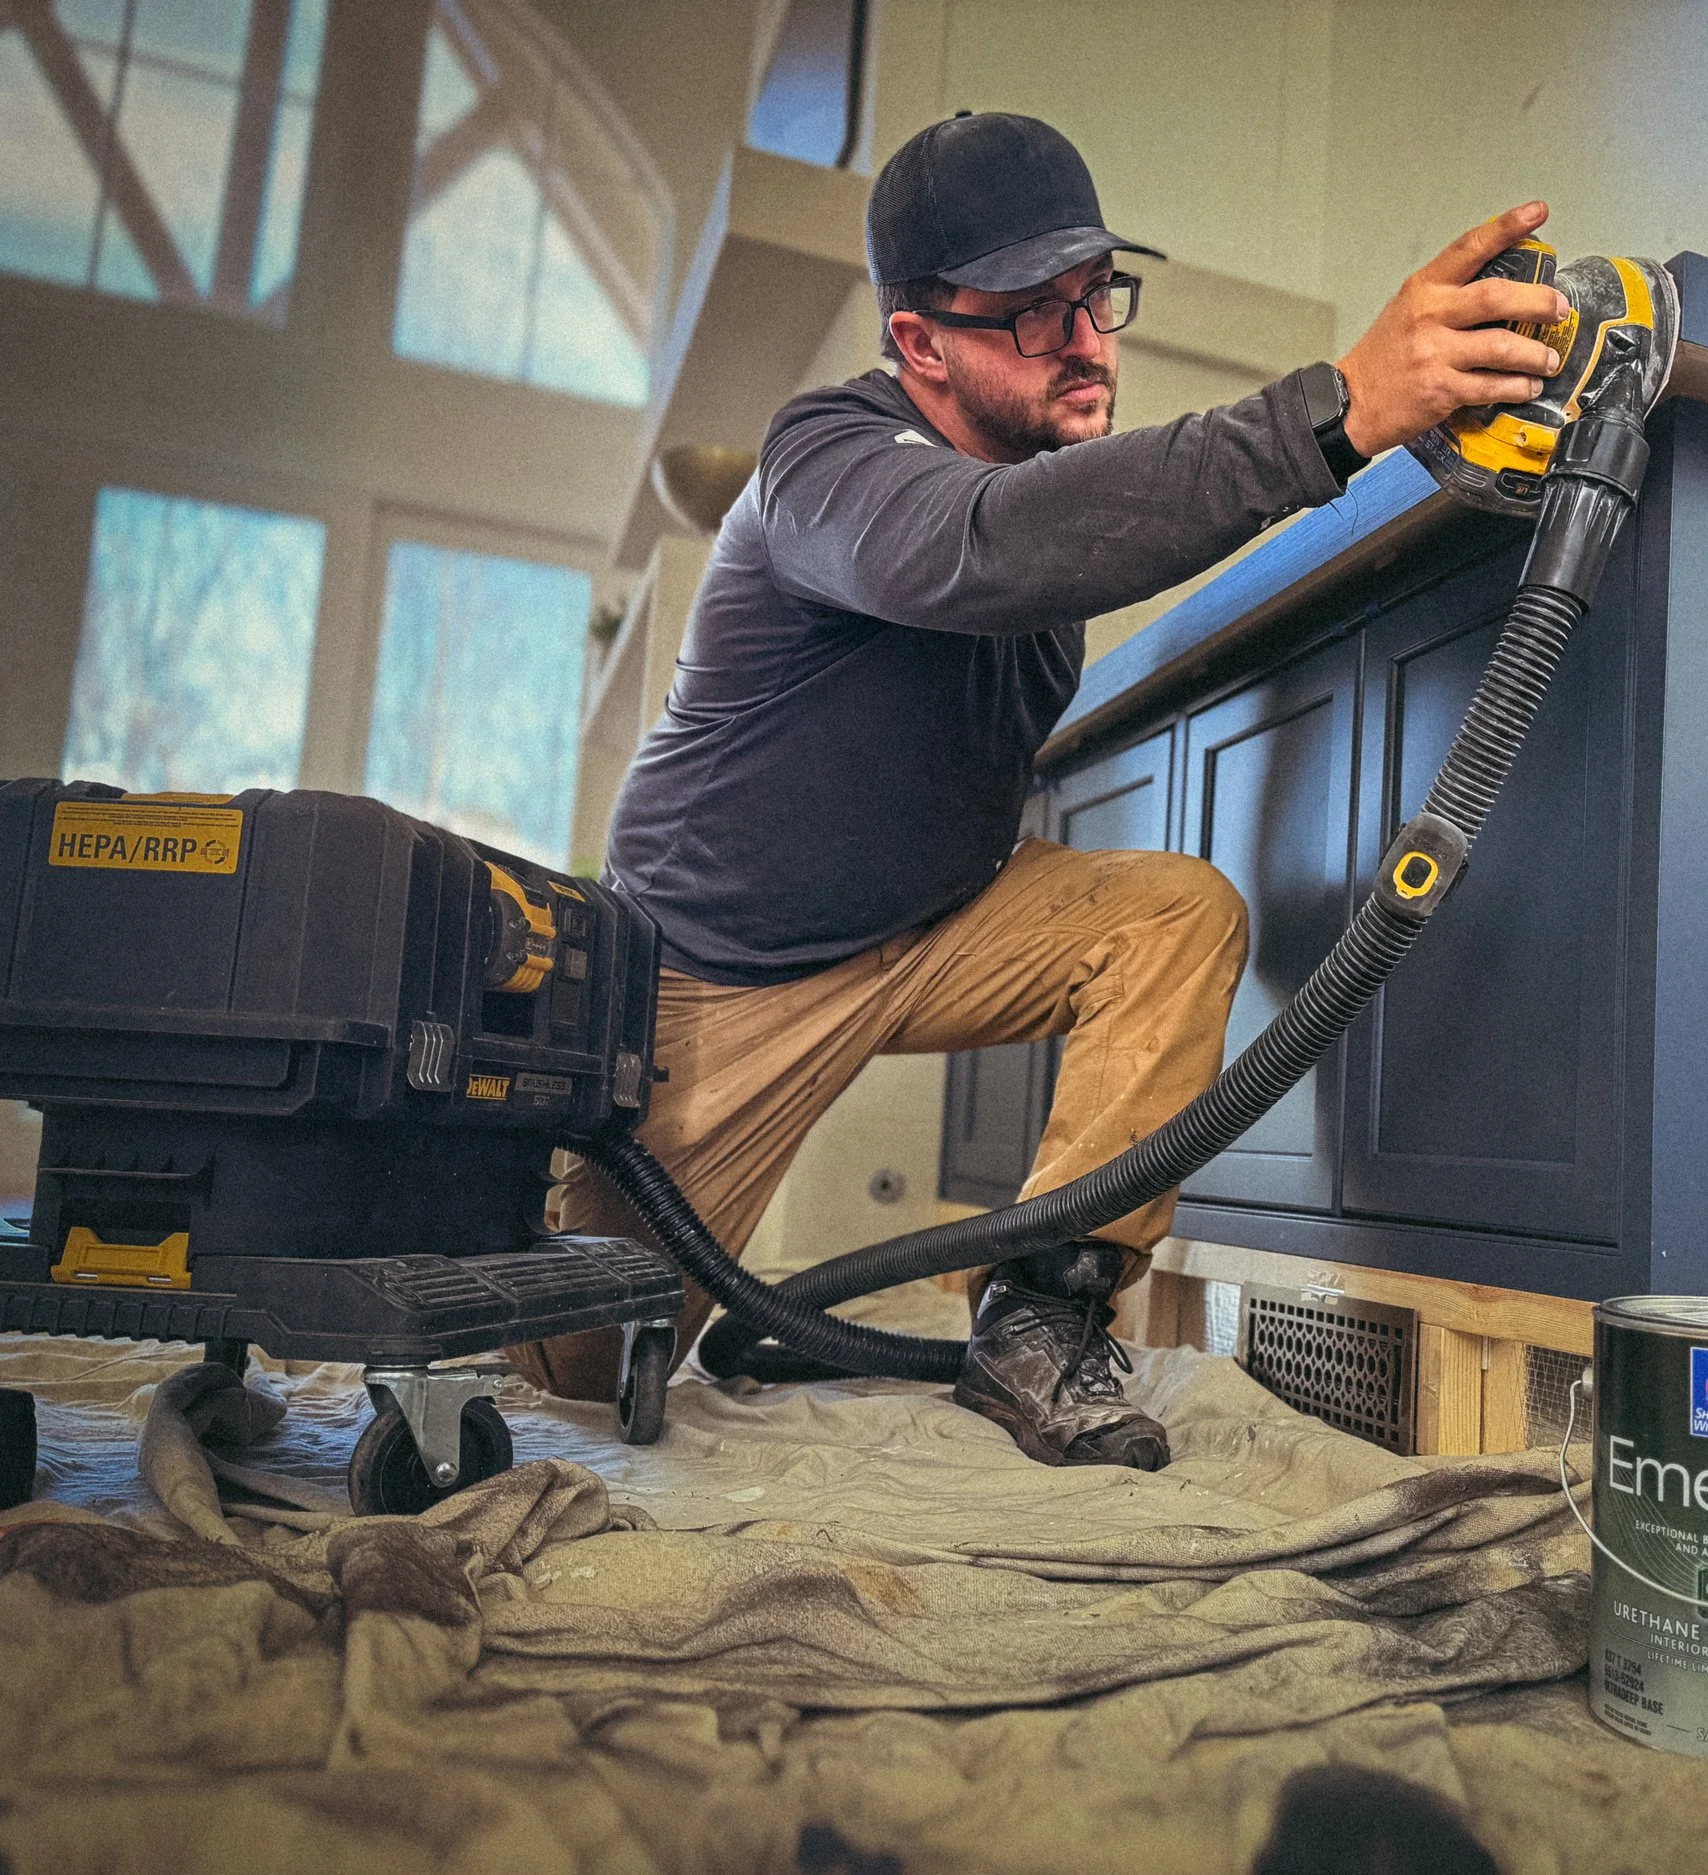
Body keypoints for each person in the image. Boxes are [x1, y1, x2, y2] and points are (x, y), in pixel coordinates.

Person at [510, 111, 1568, 1471]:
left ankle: (1038, 1317)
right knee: (575, 1383)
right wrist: (1337, 410)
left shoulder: (1044, 508)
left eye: (1094, 296)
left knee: (1173, 914)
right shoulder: (821, 467)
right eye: (1029, 313)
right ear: (919, 342)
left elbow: (1052, 536)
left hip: (940, 919)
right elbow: (972, 549)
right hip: (721, 977)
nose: (1085, 338)